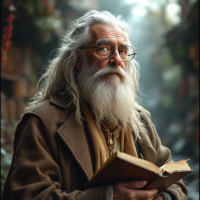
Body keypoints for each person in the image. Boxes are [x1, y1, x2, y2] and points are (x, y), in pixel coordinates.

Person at [3, 10, 187, 200]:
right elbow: (28, 195)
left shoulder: (141, 120)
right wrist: (106, 196)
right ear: (78, 59)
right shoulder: (42, 122)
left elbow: (176, 184)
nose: (116, 60)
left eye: (122, 51)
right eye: (104, 48)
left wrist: (163, 198)